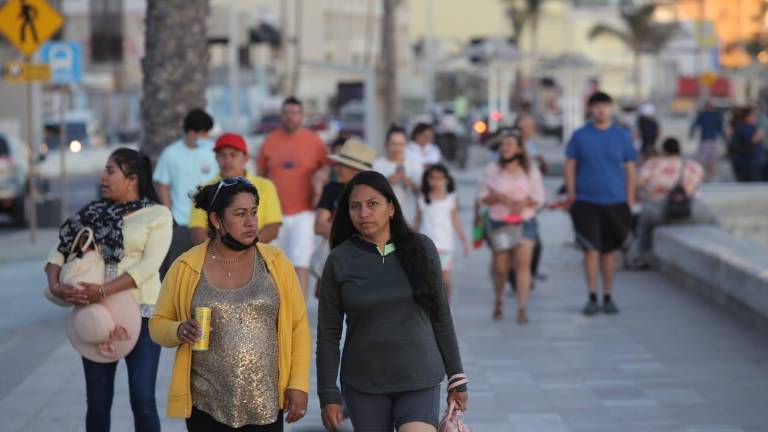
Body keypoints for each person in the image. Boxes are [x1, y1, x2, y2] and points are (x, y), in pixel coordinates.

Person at [149, 178, 312, 431]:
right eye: (240, 214)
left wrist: (298, 384)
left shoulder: (276, 263)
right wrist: (179, 330)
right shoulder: (186, 266)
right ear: (216, 220)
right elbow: (158, 324)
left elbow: (299, 327)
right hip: (205, 404)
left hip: (266, 403)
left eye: (254, 213)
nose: (251, 222)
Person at [317, 171, 469, 432]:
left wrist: (457, 379)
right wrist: (328, 393)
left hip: (419, 376)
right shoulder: (339, 260)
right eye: (355, 206)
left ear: (391, 207)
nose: (364, 213)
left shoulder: (422, 249)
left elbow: (441, 316)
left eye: (372, 204)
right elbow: (328, 334)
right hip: (364, 382)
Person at [44, 148, 173, 432]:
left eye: (111, 171)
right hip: (95, 316)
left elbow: (149, 265)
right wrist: (57, 287)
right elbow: (57, 254)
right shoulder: (91, 214)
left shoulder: (158, 214)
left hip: (143, 314)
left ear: (132, 179)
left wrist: (101, 290)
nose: (103, 176)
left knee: (143, 400)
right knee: (98, 401)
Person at [565, 91, 637, 316]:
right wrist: (571, 195)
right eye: (596, 106)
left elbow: (630, 170)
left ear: (611, 108)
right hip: (586, 202)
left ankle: (608, 295)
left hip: (615, 201)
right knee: (590, 250)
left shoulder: (622, 136)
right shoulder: (579, 136)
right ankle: (591, 296)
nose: (601, 110)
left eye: (604, 106)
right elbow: (570, 166)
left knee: (608, 252)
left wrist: (630, 200)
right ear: (590, 109)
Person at [257, 97, 329, 296]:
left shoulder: (314, 141)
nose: (291, 117)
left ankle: (300, 314)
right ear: (281, 115)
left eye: (295, 113)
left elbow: (328, 166)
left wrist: (321, 177)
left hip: (304, 213)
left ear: (302, 115)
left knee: (300, 262)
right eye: (287, 112)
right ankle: (277, 312)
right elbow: (260, 176)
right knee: (272, 265)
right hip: (275, 215)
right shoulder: (269, 141)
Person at [477, 130, 545, 323]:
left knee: (523, 266)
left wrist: (524, 203)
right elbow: (482, 196)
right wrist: (498, 197)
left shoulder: (530, 170)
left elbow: (540, 197)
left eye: (509, 144)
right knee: (500, 268)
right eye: (502, 144)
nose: (505, 148)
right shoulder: (492, 169)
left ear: (519, 148)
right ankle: (498, 299)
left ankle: (522, 308)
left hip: (525, 221)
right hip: (499, 222)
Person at [628, 137, 714, 268]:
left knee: (643, 225)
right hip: (688, 211)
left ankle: (641, 257)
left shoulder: (653, 164)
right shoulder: (693, 166)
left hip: (659, 212)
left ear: (664, 151)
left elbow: (637, 184)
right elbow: (700, 182)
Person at [153, 108, 218, 277]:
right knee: (177, 270)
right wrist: (169, 215)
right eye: (203, 132)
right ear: (191, 132)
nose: (206, 136)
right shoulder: (170, 154)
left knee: (208, 271)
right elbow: (163, 183)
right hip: (181, 223)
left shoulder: (214, 152)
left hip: (208, 223)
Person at [189, 133, 282, 246]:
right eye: (222, 155)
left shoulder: (265, 186)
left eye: (233, 155)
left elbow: (272, 228)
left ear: (246, 158)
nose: (227, 160)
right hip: (216, 259)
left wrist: (245, 249)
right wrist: (221, 254)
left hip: (257, 254)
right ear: (216, 158)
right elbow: (197, 231)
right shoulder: (206, 190)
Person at [313, 138, 376, 296]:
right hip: (334, 264)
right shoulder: (332, 189)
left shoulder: (375, 194)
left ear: (355, 170)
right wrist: (355, 228)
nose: (337, 167)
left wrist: (336, 226)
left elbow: (378, 231)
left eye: (341, 164)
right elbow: (318, 226)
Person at [415, 164, 469, 302]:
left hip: (445, 246)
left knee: (444, 280)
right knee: (426, 279)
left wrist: (464, 241)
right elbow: (417, 222)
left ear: (446, 180)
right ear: (427, 180)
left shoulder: (451, 199)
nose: (436, 182)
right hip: (425, 245)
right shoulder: (422, 199)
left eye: (439, 178)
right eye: (432, 178)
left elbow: (456, 221)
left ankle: (445, 308)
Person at [373, 125, 423, 224]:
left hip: (409, 219)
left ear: (406, 145)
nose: (397, 148)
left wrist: (410, 183)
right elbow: (370, 193)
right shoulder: (377, 165)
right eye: (393, 144)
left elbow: (424, 192)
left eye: (401, 144)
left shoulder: (415, 165)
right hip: (384, 220)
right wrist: (387, 182)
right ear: (386, 145)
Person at [689, 100, 725, 181]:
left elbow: (719, 128)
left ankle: (709, 176)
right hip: (706, 140)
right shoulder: (704, 115)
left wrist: (691, 133)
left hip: (711, 140)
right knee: (705, 160)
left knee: (710, 160)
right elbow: (696, 124)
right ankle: (706, 176)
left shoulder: (714, 115)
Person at [729, 106, 766, 182]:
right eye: (753, 116)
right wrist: (757, 136)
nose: (756, 118)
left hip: (751, 164)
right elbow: (747, 144)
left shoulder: (750, 127)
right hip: (748, 165)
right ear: (747, 117)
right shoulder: (744, 128)